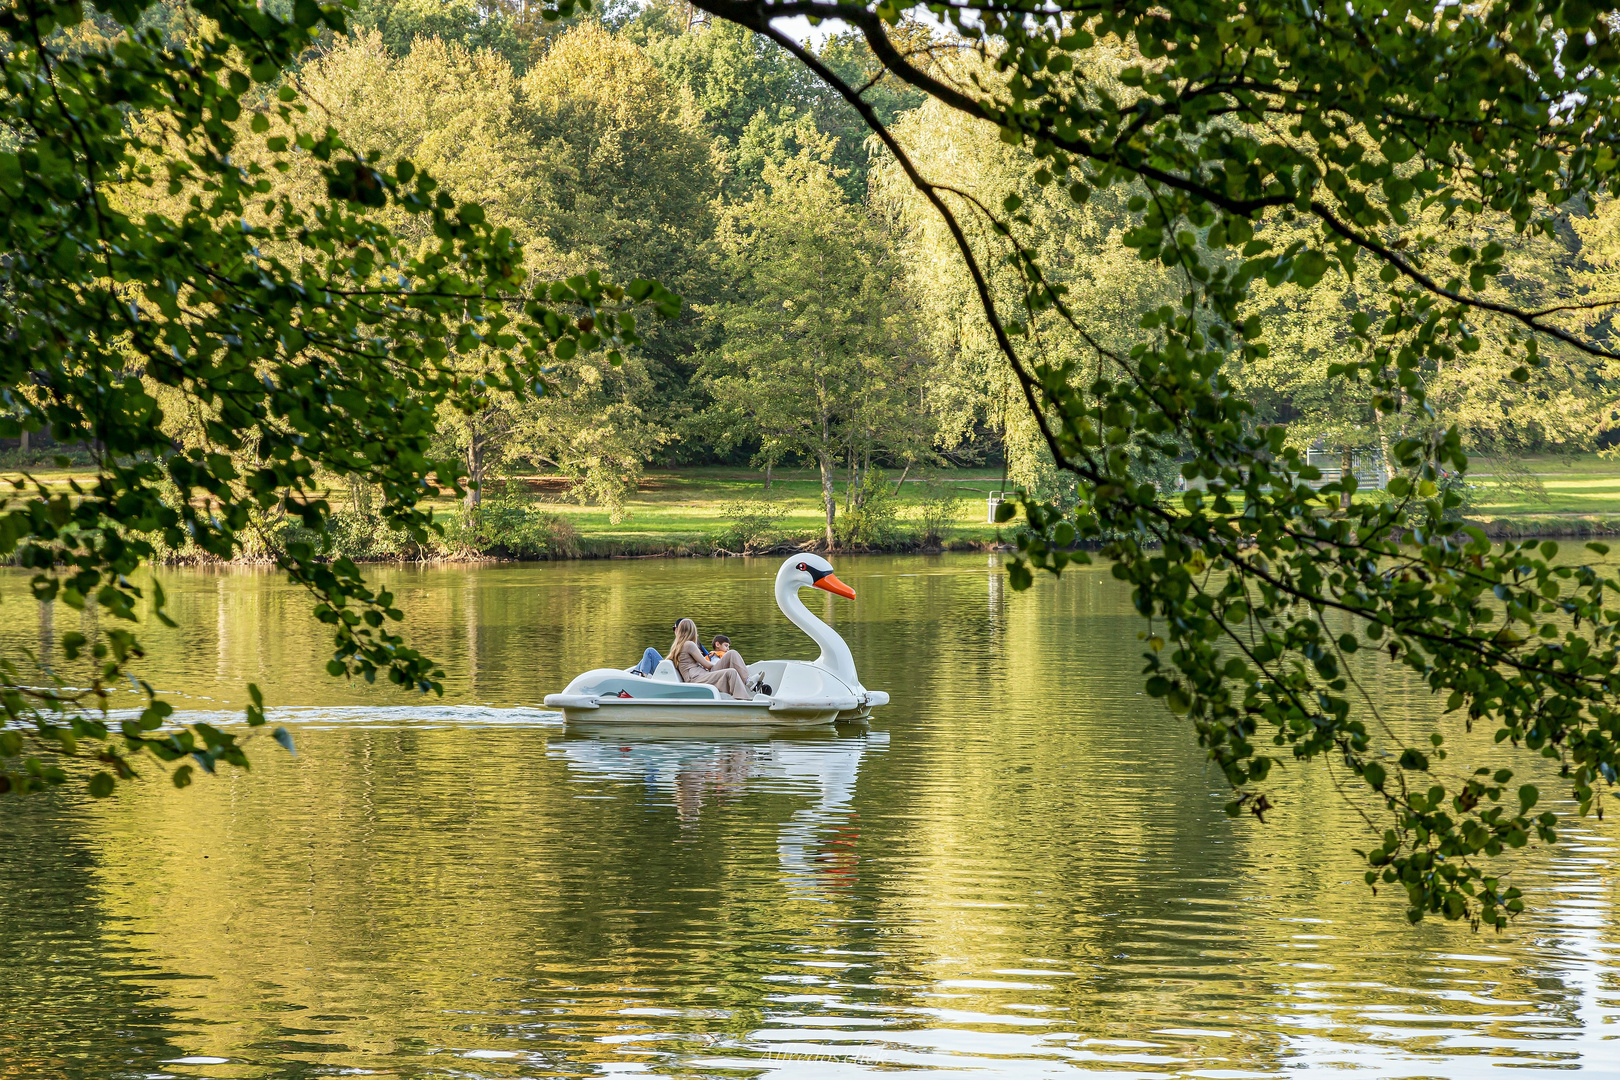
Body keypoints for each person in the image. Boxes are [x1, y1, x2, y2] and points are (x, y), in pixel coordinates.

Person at [670, 618, 750, 699]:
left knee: (732, 653)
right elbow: (707, 665)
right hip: (696, 678)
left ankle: (749, 681)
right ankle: (742, 699)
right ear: (693, 631)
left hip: (700, 674)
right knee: (731, 672)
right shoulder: (689, 645)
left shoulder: (678, 646)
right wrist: (718, 663)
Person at [630, 621, 709, 676]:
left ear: (679, 630)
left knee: (649, 652)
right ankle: (635, 675)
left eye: (674, 628)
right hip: (676, 672)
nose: (674, 631)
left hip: (672, 673)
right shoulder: (690, 643)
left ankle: (638, 678)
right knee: (647, 657)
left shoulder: (686, 645)